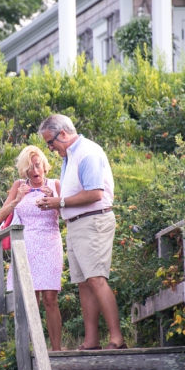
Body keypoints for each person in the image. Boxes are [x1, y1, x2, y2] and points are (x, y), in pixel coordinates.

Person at [35, 114, 126, 350]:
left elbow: (95, 193)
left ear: (63, 134)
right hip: (76, 223)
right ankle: (91, 341)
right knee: (84, 283)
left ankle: (116, 339)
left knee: (96, 278)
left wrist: (59, 202)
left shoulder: (88, 152)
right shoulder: (71, 156)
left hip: (93, 220)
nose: (51, 148)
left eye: (51, 143)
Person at [0, 145, 64, 351]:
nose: (35, 171)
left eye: (38, 166)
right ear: (24, 171)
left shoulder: (55, 184)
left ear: (44, 165)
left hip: (50, 242)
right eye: (30, 168)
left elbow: (66, 217)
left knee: (50, 298)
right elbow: (1, 217)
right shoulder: (19, 185)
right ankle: (35, 350)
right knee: (30, 299)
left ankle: (57, 350)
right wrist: (17, 199)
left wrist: (54, 200)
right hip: (25, 245)